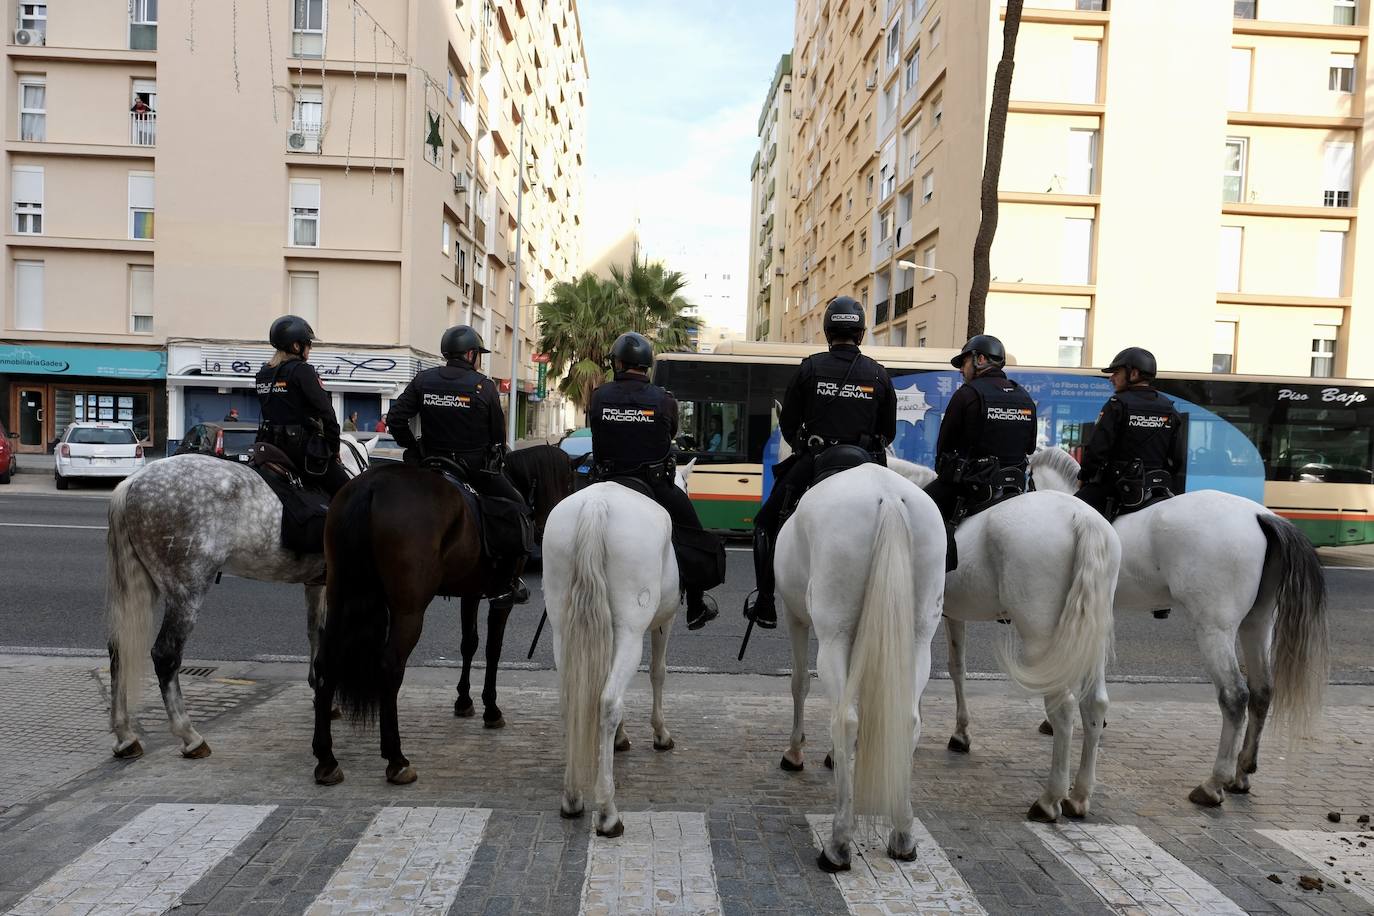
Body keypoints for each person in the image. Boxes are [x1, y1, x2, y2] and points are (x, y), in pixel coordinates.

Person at [743, 296, 896, 629]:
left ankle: (765, 601)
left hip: (816, 461)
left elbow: (788, 423)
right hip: (866, 464)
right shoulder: (879, 375)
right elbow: (888, 431)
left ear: (828, 331)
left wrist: (804, 443)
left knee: (766, 522)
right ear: (860, 333)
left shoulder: (809, 368)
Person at [385, 325, 529, 605]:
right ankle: (506, 584)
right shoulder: (483, 386)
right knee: (518, 508)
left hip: (430, 464)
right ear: (471, 354)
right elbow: (497, 436)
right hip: (473, 470)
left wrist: (414, 449)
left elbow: (395, 420)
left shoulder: (423, 380)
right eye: (479, 354)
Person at [588, 331, 721, 630]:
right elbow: (669, 433)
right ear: (646, 365)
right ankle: (696, 604)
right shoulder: (664, 400)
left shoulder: (599, 396)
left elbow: (596, 430)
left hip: (606, 480)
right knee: (691, 532)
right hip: (654, 486)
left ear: (618, 363)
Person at [923, 334, 1037, 527]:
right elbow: (1030, 447)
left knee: (920, 510)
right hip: (1014, 486)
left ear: (980, 359)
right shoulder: (1024, 397)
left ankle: (948, 557)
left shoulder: (967, 394)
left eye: (964, 362)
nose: (961, 369)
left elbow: (945, 446)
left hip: (972, 487)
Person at [1076, 346, 1187, 520]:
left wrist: (1084, 476)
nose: (1111, 378)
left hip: (1118, 488)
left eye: (1116, 372)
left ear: (1133, 374)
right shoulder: (1169, 407)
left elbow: (1097, 451)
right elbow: (1177, 459)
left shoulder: (1117, 404)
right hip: (1157, 488)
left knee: (1071, 513)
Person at [254, 315, 349, 495]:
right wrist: (334, 448)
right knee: (348, 493)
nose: (310, 348)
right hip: (299, 450)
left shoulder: (263, 374)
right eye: (308, 344)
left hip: (269, 446)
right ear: (296, 346)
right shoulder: (302, 370)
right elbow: (326, 413)